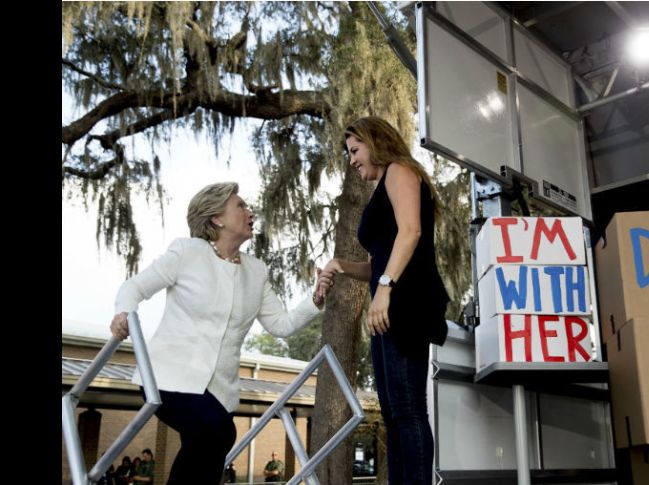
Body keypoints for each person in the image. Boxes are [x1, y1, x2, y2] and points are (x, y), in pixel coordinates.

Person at [110, 182, 326, 485]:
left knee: (209, 452)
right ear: (216, 218)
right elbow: (134, 287)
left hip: (217, 391)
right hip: (168, 378)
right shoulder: (187, 252)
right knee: (219, 431)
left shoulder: (256, 271)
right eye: (241, 205)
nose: (250, 212)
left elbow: (281, 324)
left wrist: (315, 299)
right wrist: (124, 312)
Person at [317, 116, 450, 484]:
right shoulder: (383, 186)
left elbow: (411, 231)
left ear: (375, 142)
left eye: (355, 150)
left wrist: (386, 289)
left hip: (404, 303)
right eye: (349, 153)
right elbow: (378, 262)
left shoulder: (399, 170)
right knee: (392, 412)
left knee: (408, 410)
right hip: (388, 307)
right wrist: (340, 265)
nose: (352, 160)